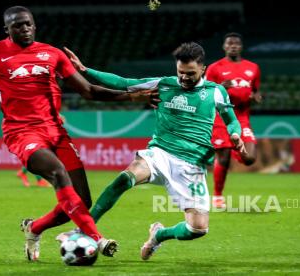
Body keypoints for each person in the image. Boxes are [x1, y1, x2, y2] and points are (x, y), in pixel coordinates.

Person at [0, 6, 158, 261]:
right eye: (18, 25)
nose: (25, 29)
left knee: (81, 202)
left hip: (56, 132)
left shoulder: (52, 54)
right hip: (22, 133)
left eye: (29, 24)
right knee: (57, 173)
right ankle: (98, 239)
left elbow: (88, 90)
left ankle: (34, 228)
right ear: (7, 29)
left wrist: (134, 96)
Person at [63, 42, 245, 260]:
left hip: (192, 164)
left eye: (190, 74)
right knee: (124, 179)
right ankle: (83, 230)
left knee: (197, 229)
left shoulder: (216, 92)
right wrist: (85, 70)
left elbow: (232, 121)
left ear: (203, 69)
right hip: (160, 154)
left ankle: (158, 235)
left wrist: (235, 135)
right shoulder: (164, 85)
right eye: (180, 72)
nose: (184, 78)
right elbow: (124, 83)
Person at [205, 32, 262, 208]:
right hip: (222, 117)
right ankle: (217, 196)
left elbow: (255, 91)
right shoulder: (215, 68)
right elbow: (205, 93)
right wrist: (220, 87)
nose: (233, 46)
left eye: (236, 43)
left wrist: (256, 97)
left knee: (250, 158)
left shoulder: (253, 68)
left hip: (243, 117)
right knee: (223, 157)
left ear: (241, 46)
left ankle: (238, 151)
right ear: (224, 46)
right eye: (230, 43)